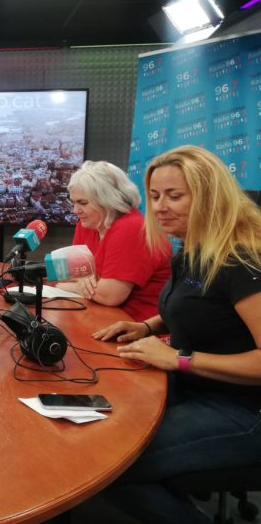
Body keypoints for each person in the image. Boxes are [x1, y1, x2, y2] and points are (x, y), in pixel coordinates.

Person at [89, 145, 261, 523]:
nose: (160, 206)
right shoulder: (192, 247)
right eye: (154, 196)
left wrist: (179, 359)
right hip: (192, 389)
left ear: (209, 195)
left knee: (106, 469)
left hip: (243, 411)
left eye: (175, 195)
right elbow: (198, 307)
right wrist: (147, 325)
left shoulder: (241, 259)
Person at [55, 160, 171, 321]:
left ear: (108, 200)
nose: (76, 210)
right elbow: (64, 275)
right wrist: (82, 281)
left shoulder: (132, 227)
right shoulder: (87, 224)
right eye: (73, 202)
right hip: (98, 316)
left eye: (83, 203)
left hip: (138, 330)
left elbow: (110, 295)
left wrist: (77, 284)